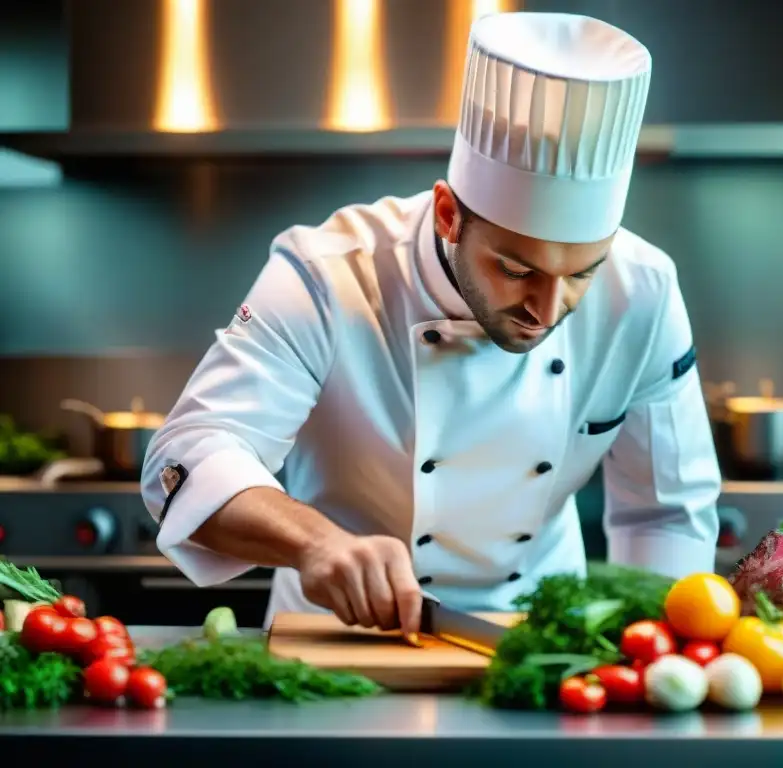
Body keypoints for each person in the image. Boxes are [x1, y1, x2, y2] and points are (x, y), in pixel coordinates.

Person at [141, 11, 722, 638]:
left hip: (540, 647)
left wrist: (654, 663)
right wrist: (317, 544)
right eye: (515, 268)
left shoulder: (645, 289)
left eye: (583, 273)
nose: (547, 312)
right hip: (340, 641)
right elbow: (187, 455)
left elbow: (666, 513)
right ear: (448, 214)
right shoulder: (328, 274)